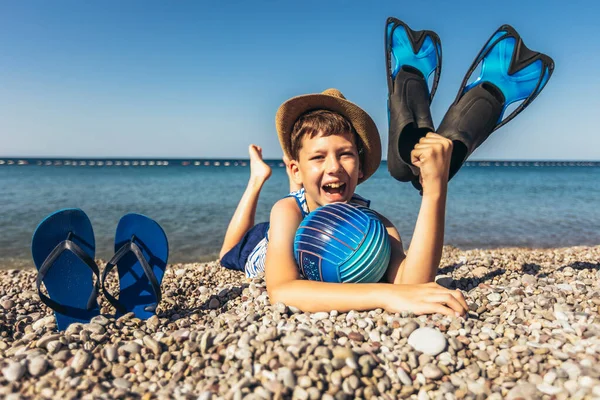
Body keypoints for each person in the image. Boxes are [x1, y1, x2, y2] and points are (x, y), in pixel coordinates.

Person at [219, 88, 468, 317]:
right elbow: (282, 291)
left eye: (346, 154)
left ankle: (302, 180)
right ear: (297, 169)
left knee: (312, 192)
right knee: (227, 252)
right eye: (318, 156)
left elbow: (412, 285)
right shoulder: (285, 211)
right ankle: (257, 178)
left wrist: (435, 187)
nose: (335, 167)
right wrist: (384, 295)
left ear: (360, 168)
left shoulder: (375, 228)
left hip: (309, 210)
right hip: (264, 244)